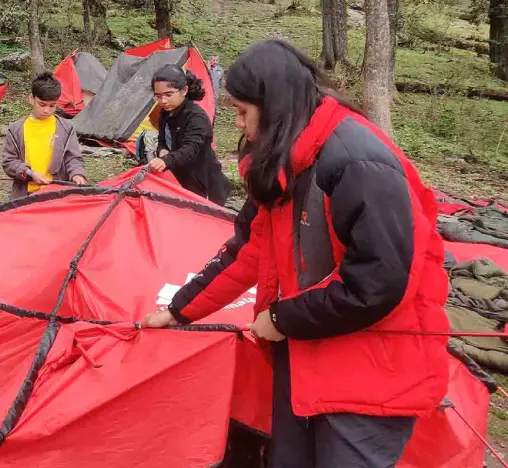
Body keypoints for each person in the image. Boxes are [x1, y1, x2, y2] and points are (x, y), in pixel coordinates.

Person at [141, 40, 450, 467]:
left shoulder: (357, 162)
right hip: (304, 356)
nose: (241, 125)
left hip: (370, 373)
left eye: (243, 111)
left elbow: (379, 282)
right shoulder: (285, 165)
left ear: (275, 107)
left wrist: (284, 318)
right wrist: (180, 309)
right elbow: (249, 249)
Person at [148, 64, 231, 206]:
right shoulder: (165, 112)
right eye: (158, 96)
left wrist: (166, 160)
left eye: (168, 94)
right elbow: (162, 139)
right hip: (183, 181)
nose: (163, 101)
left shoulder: (196, 117)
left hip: (205, 185)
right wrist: (162, 149)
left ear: (184, 90)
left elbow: (191, 148)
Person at [1, 73, 87, 200]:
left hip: (57, 193)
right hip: (25, 195)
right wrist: (30, 173)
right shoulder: (16, 129)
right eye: (42, 104)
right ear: (31, 99)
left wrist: (77, 174)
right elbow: (9, 162)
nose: (47, 110)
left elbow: (73, 158)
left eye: (52, 106)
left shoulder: (66, 128)